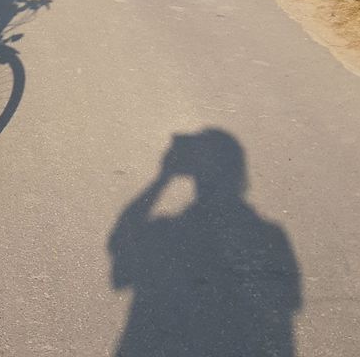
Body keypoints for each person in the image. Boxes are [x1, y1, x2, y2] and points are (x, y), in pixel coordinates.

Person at [109, 129, 301, 356]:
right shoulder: (271, 236)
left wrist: (164, 177)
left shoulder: (168, 233)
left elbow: (120, 245)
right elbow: (285, 308)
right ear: (237, 174)